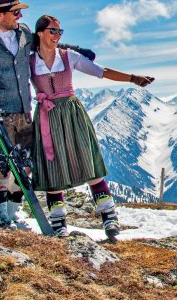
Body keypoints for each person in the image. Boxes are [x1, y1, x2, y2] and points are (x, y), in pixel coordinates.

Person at [0, 0, 95, 229]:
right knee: (4, 163)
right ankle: (0, 213)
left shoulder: (24, 33)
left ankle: (13, 210)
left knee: (26, 162)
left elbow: (43, 45)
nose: (19, 16)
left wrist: (76, 49)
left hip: (24, 108)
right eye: (14, 12)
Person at [30, 14, 154, 237]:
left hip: (71, 112)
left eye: (60, 32)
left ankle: (109, 216)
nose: (57, 36)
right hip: (47, 116)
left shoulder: (69, 57)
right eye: (53, 31)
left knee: (87, 159)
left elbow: (101, 71)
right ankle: (58, 220)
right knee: (53, 165)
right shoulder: (29, 60)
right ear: (40, 33)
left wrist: (133, 78)